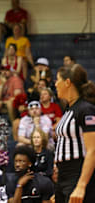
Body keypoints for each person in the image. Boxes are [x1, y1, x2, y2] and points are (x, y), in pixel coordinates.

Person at [54, 64, 95, 203]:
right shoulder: (68, 109)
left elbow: (93, 150)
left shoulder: (86, 109)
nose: (55, 84)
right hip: (63, 177)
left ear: (67, 82)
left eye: (57, 79)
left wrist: (81, 186)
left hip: (77, 174)